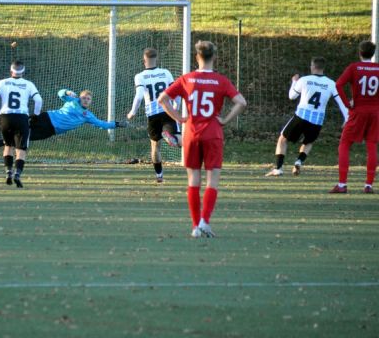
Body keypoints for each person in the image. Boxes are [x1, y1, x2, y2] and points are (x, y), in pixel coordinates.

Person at [158, 40, 247, 238]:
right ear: (214, 57)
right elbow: (241, 102)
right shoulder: (221, 81)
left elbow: (162, 99)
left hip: (191, 134)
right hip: (213, 133)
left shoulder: (186, 79)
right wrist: (225, 120)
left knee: (193, 180)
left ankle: (195, 226)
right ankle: (205, 222)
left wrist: (179, 118)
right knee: (212, 180)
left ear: (197, 57)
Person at [265, 57, 349, 177]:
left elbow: (292, 96)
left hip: (301, 115)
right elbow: (341, 103)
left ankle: (278, 168)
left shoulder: (304, 80)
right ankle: (299, 161)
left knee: (283, 139)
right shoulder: (331, 83)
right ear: (323, 68)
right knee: (308, 142)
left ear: (313, 66)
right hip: (317, 120)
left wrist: (294, 81)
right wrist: (346, 118)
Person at [0, 88, 127, 154]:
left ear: (91, 102)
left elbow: (102, 124)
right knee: (16, 125)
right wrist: (66, 92)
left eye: (88, 99)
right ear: (80, 97)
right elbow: (60, 94)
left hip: (50, 130)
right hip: (45, 118)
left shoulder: (87, 115)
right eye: (84, 97)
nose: (86, 100)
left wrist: (117, 124)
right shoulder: (73, 100)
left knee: (22, 138)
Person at [330, 41, 379, 194]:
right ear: (373, 53)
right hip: (375, 112)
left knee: (345, 143)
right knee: (372, 145)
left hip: (358, 111)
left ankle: (342, 184)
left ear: (360, 52)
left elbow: (338, 85)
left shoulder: (354, 67)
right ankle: (369, 185)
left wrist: (347, 104)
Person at [127, 48, 181, 183]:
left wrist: (132, 112)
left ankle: (159, 175)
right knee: (179, 140)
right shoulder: (165, 72)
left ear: (144, 61)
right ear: (156, 59)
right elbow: (176, 93)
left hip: (152, 115)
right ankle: (170, 135)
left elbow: (139, 96)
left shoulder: (140, 76)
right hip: (167, 110)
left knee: (155, 147)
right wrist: (175, 108)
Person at [0, 61, 43, 188]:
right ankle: (17, 174)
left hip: (6, 117)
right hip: (21, 117)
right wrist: (35, 115)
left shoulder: (2, 82)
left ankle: (8, 172)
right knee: (21, 149)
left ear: (11, 71)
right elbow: (38, 100)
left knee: (8, 146)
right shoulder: (28, 84)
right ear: (23, 72)